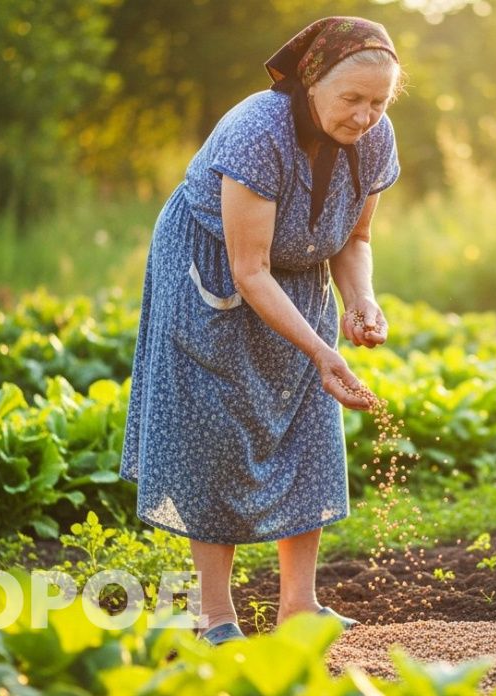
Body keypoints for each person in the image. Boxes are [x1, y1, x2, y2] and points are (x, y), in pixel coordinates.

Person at [117, 16, 404, 646]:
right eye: (351, 99)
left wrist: (362, 301)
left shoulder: (375, 138)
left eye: (378, 101)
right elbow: (249, 270)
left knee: (307, 425)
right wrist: (324, 350)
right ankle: (215, 616)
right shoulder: (257, 132)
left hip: (296, 278)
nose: (364, 115)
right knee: (216, 433)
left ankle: (300, 608)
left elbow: (354, 238)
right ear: (310, 83)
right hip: (214, 273)